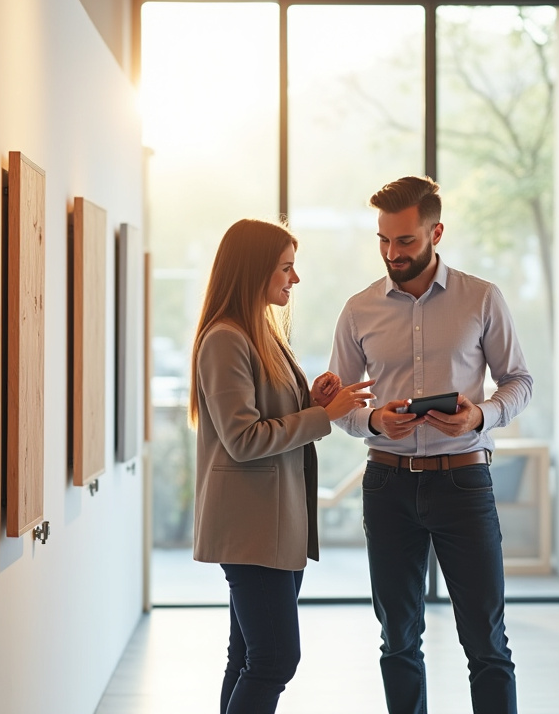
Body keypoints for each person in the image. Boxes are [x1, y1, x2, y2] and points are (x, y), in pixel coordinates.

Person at [328, 176, 534, 714]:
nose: (392, 253)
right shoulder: (358, 310)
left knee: (487, 644)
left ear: (435, 232)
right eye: (384, 241)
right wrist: (372, 420)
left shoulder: (482, 298)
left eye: (405, 241)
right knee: (398, 641)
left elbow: (519, 380)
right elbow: (339, 403)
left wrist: (480, 414)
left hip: (464, 482)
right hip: (387, 484)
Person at [190, 218, 374, 714]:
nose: (295, 279)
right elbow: (244, 439)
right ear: (255, 272)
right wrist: (322, 416)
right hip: (253, 528)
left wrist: (311, 400)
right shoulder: (226, 339)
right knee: (275, 658)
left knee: (249, 654)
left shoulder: (258, 333)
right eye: (286, 268)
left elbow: (263, 415)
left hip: (270, 525)